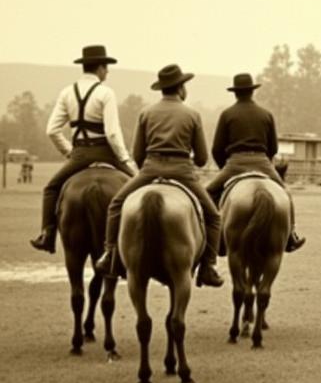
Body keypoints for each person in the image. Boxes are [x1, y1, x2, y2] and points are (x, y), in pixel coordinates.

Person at [94, 64, 224, 287]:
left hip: (150, 169)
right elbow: (202, 158)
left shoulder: (146, 113)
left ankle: (109, 256)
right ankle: (208, 267)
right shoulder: (192, 114)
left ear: (162, 88)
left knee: (116, 204)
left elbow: (137, 154)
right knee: (214, 217)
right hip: (183, 172)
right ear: (181, 88)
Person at [30, 45, 136, 253]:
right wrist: (124, 159)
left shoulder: (67, 92)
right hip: (106, 153)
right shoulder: (106, 93)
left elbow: (52, 130)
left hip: (78, 155)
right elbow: (113, 133)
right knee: (138, 186)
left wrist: (69, 152)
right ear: (99, 68)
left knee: (51, 188)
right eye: (106, 67)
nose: (107, 71)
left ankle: (47, 234)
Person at [205, 73, 305, 253]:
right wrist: (264, 159)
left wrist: (225, 168)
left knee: (208, 192)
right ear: (252, 92)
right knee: (285, 193)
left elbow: (217, 149)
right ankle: (291, 236)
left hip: (235, 163)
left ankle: (211, 238)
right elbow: (273, 148)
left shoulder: (227, 114)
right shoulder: (266, 114)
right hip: (262, 162)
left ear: (235, 93)